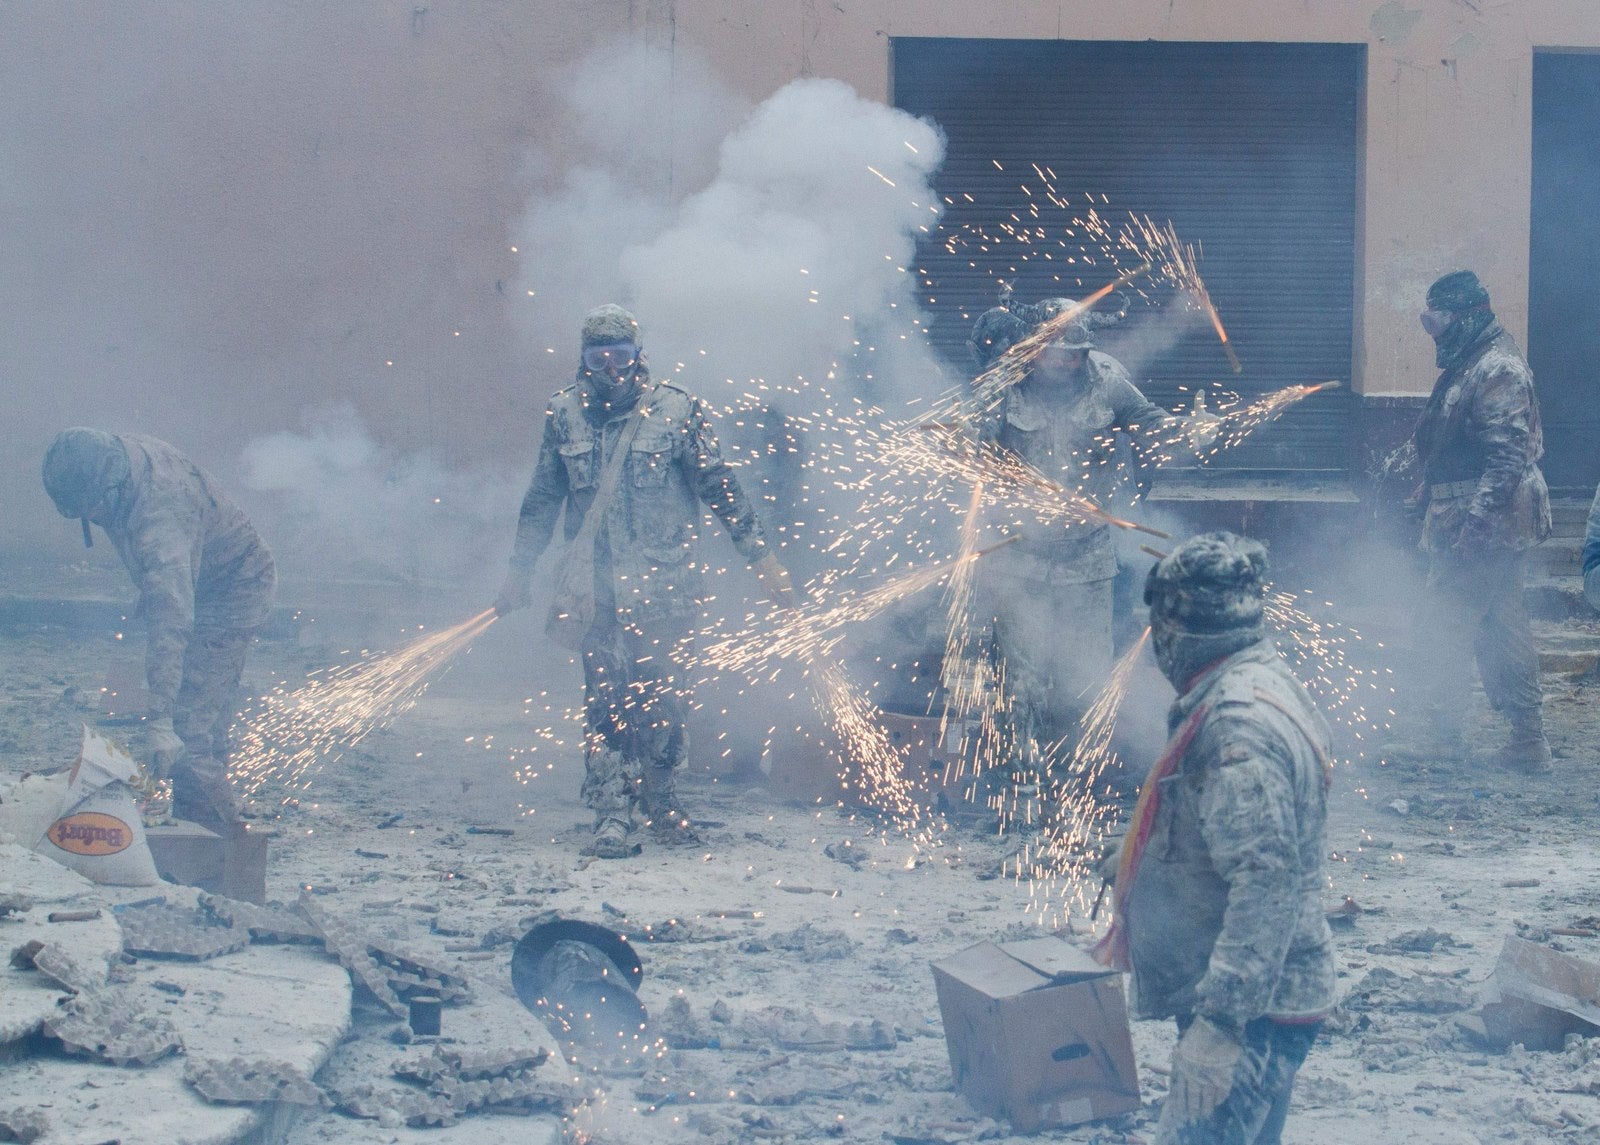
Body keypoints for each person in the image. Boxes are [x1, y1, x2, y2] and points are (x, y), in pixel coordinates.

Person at [495, 304, 794, 858]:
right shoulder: (564, 414)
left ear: (639, 356)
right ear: (584, 360)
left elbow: (720, 488)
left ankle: (662, 801)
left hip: (668, 589)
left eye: (621, 357)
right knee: (606, 701)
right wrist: (520, 571)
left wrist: (763, 560)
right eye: (598, 356)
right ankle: (612, 811)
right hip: (596, 592)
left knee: (666, 699)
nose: (611, 369)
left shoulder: (677, 411)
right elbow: (541, 499)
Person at [1095, 532, 1334, 1145]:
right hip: (1265, 989)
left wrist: (1220, 1028)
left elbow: (1266, 880)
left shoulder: (1236, 728)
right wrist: (1138, 862)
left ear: (1179, 631)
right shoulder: (1259, 676)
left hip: (1255, 1007)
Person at [969, 305, 1201, 763]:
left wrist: (1187, 433)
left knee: (1087, 679)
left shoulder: (1108, 382)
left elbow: (1152, 426)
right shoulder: (1003, 387)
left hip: (1087, 558)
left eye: (1074, 355)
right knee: (1020, 682)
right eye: (1055, 354)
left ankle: (1076, 778)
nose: (1065, 363)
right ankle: (1019, 777)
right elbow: (971, 444)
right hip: (1017, 557)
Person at [41, 428, 277, 830]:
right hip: (196, 575)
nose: (94, 520)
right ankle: (211, 805)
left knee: (190, 726)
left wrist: (161, 721)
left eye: (93, 510)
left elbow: (171, 624)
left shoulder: (162, 517)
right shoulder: (115, 461)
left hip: (234, 589)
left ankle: (215, 842)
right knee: (201, 710)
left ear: (110, 490)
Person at [1392, 270, 1553, 771]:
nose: (1433, 333)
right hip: (1475, 516)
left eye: (1435, 321)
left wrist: (1474, 526)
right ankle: (1528, 743)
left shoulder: (1498, 367)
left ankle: (1443, 736)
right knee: (1502, 626)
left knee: (1443, 622)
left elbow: (1505, 460)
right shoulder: (1474, 362)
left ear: (1464, 316)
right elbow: (1459, 447)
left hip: (1488, 522)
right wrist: (1429, 489)